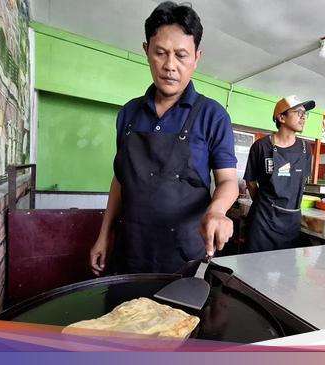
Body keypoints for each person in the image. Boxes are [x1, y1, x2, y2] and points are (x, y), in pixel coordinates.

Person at [90, 1, 238, 275]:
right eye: (161, 53)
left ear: (197, 57)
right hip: (130, 251)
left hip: (183, 256)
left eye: (181, 55)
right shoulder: (129, 114)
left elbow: (228, 181)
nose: (170, 65)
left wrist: (217, 211)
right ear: (146, 52)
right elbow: (120, 180)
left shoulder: (212, 115)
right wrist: (104, 234)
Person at [243, 95, 315, 253]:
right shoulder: (261, 147)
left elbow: (301, 184)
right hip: (263, 221)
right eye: (298, 112)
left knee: (286, 269)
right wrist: (267, 207)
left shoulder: (306, 149)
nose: (303, 117)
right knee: (256, 267)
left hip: (291, 221)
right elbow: (250, 182)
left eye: (305, 113)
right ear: (281, 117)